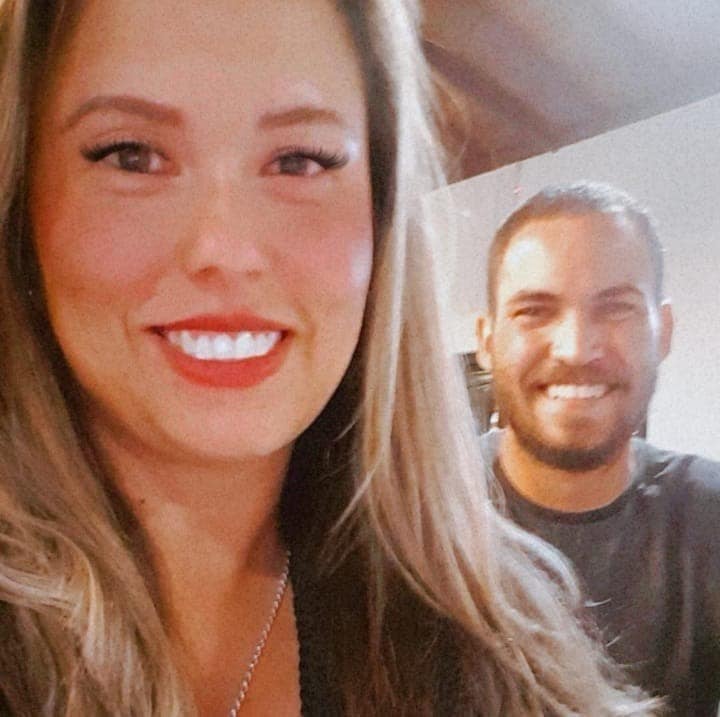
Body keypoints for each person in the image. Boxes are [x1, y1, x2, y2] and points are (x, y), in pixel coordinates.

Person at [0, 2, 660, 715]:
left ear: (382, 218)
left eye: (301, 160)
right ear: (23, 202)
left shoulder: (496, 651)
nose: (227, 249)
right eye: (130, 154)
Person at [476, 181, 720, 716]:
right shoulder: (403, 515)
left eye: (615, 309)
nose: (576, 349)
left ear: (663, 332)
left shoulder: (709, 517)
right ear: (487, 341)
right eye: (535, 311)